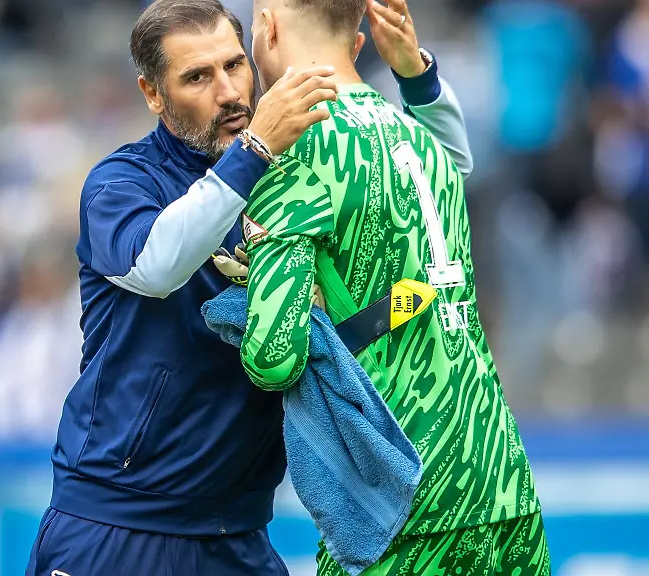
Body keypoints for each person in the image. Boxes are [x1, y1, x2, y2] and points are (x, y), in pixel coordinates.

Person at [26, 0, 475, 574]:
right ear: (153, 94)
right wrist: (254, 152)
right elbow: (157, 265)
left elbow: (442, 170)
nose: (230, 92)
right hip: (117, 522)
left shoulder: (293, 170)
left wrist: (417, 77)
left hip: (238, 532)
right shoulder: (122, 182)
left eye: (235, 66)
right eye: (197, 77)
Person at [238, 0, 549, 573]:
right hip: (500, 480)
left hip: (401, 502)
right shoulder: (428, 143)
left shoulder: (294, 152)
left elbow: (273, 357)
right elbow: (419, 292)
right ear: (356, 40)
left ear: (267, 24)